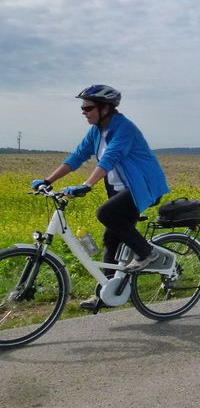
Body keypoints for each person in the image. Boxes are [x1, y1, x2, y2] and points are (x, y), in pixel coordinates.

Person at [31, 85, 170, 310]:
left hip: (142, 188)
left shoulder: (124, 128)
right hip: (119, 190)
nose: (83, 112)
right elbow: (76, 157)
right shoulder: (97, 131)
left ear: (105, 108)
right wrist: (47, 181)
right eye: (82, 108)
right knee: (111, 239)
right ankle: (107, 292)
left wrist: (87, 185)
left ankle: (147, 253)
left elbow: (110, 158)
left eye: (88, 108)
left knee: (106, 214)